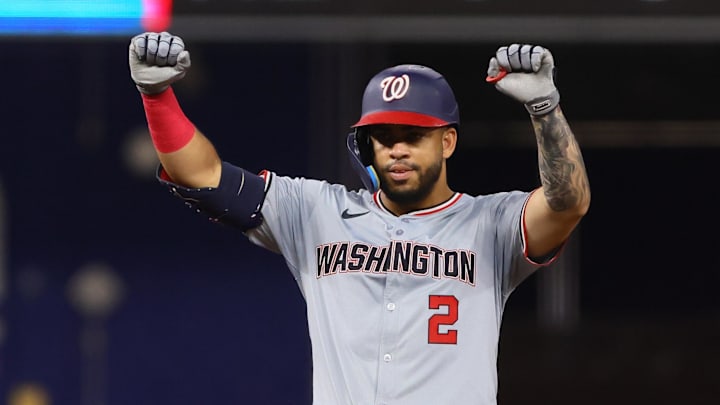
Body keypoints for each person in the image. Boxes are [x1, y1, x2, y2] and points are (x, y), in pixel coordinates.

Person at [128, 32, 590, 405]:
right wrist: (156, 96)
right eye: (383, 136)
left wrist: (544, 108)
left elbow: (568, 203)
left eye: (413, 135)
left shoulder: (492, 224)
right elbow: (202, 176)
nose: (397, 149)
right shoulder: (315, 212)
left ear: (447, 142)